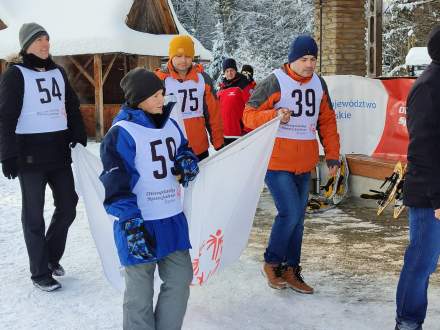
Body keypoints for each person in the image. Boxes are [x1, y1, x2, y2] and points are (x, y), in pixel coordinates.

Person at [100, 68, 199, 330]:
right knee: (139, 296)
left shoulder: (170, 123)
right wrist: (130, 221)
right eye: (155, 95)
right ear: (137, 99)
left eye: (162, 93)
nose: (161, 100)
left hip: (171, 218)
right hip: (139, 222)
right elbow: (116, 182)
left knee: (180, 280)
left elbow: (182, 149)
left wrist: (186, 160)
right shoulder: (122, 132)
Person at [243, 35, 340, 293]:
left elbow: (327, 121)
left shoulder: (319, 84)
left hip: (304, 161)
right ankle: (272, 262)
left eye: (313, 59)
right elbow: (248, 115)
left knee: (299, 219)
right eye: (304, 59)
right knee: (290, 213)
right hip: (276, 161)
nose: (309, 64)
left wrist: (332, 154)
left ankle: (291, 267)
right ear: (292, 60)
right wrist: (274, 115)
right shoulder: (275, 81)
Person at [0, 23, 87, 292]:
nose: (45, 43)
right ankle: (40, 272)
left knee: (68, 205)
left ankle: (50, 257)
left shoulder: (58, 73)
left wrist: (78, 135)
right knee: (34, 215)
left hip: (59, 153)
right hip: (29, 156)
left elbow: (71, 107)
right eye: (39, 39)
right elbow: (5, 116)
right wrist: (8, 155)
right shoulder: (15, 74)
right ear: (26, 45)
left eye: (47, 38)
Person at [395, 25, 440, 330]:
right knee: (421, 262)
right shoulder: (429, 86)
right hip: (429, 195)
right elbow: (424, 149)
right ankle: (408, 323)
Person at [155, 35, 224, 160]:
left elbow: (213, 113)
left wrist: (219, 143)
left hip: (199, 147)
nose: (183, 60)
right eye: (178, 56)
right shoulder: (160, 80)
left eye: (187, 56)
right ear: (171, 56)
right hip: (171, 147)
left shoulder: (203, 79)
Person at [217, 58, 256, 145]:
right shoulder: (222, 87)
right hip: (225, 134)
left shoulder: (243, 84)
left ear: (235, 71)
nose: (229, 73)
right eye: (227, 71)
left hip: (239, 133)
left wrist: (247, 129)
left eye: (231, 70)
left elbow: (253, 106)